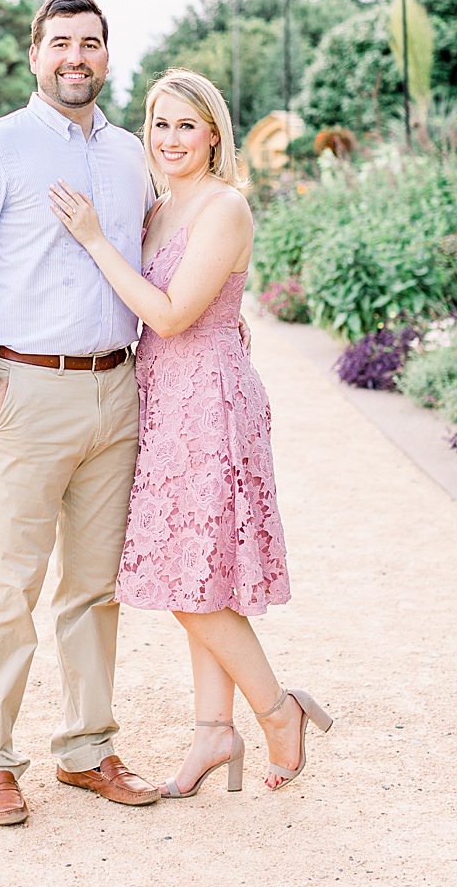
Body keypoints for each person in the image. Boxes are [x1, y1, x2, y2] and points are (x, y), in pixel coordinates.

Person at [48, 67, 333, 797]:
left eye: (185, 125)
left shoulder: (225, 207)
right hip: (165, 395)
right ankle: (213, 732)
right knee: (201, 573)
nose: (170, 138)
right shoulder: (160, 207)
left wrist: (91, 240)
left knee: (187, 579)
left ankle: (277, 711)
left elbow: (171, 315)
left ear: (213, 133)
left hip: (207, 403)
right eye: (159, 124)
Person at [0, 0, 159, 828]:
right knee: (6, 585)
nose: (76, 57)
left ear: (105, 55)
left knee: (95, 590)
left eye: (91, 43)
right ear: (34, 53)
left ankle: (88, 748)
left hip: (116, 387)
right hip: (28, 389)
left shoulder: (132, 155)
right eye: (61, 42)